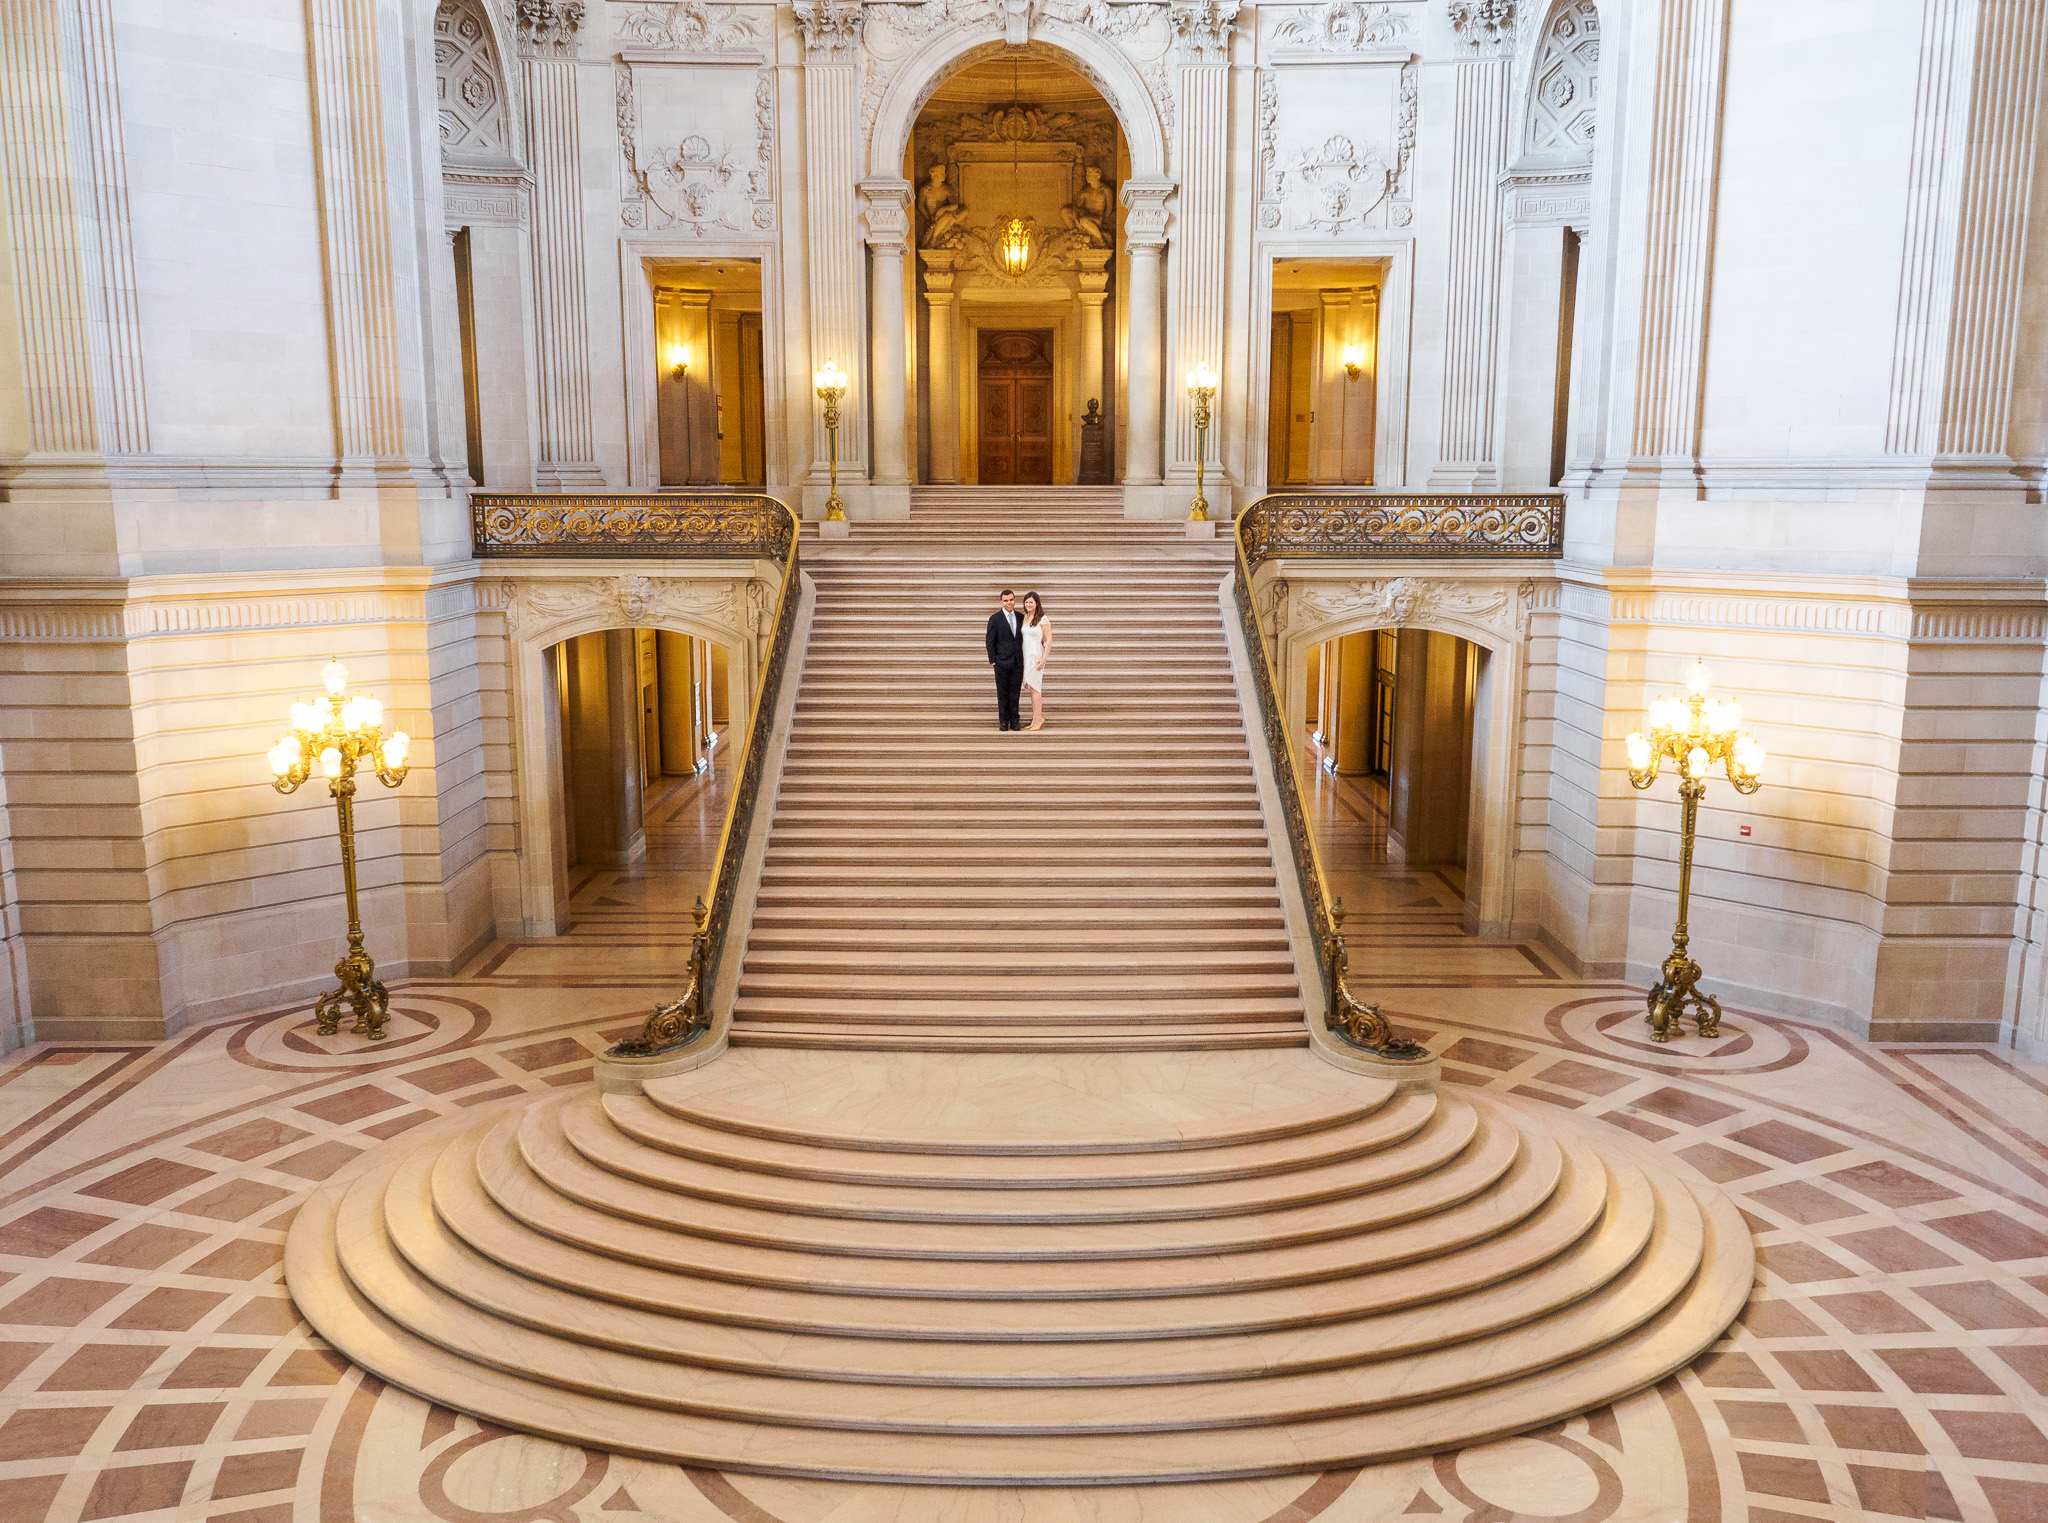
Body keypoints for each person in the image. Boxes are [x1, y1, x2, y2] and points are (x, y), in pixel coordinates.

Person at [985, 588, 1025, 731]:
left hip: (1017, 662)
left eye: (1011, 600)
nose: (1009, 603)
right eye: (1006, 600)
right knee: (1002, 692)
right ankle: (1003, 721)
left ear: (1015, 600)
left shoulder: (1021, 617)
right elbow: (990, 640)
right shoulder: (995, 619)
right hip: (1001, 662)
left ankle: (1014, 720)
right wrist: (993, 660)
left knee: (1015, 692)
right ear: (1001, 602)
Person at [1021, 590, 1052, 731]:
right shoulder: (1026, 618)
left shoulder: (1043, 619)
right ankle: (1035, 719)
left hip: (1036, 656)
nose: (1028, 604)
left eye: (1031, 602)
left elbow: (1049, 639)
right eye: (1026, 602)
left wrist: (1044, 658)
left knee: (1035, 687)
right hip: (1026, 655)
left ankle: (1039, 719)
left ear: (1037, 603)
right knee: (1030, 688)